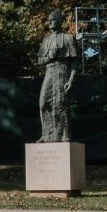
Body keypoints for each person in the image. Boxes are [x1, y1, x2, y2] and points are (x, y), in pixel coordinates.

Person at [37, 10, 78, 143]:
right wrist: (50, 56)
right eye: (49, 20)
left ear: (60, 21)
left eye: (53, 20)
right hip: (49, 72)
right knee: (43, 103)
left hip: (62, 71)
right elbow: (40, 61)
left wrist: (71, 80)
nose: (49, 22)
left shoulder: (68, 38)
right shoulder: (46, 39)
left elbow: (75, 61)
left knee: (61, 103)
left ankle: (65, 134)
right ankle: (46, 134)